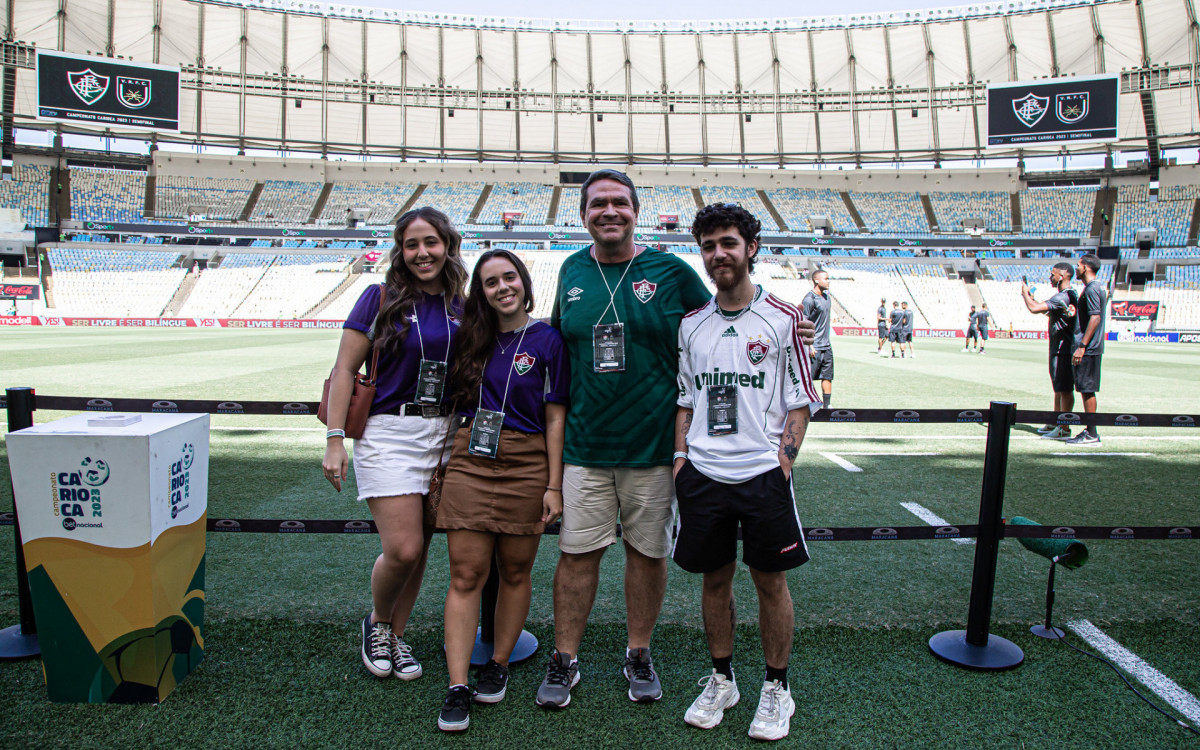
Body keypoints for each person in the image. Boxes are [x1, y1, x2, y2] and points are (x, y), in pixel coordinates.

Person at [537, 171, 813, 710]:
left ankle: (639, 653)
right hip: (587, 448)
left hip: (655, 452)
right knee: (576, 556)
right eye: (598, 204)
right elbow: (558, 344)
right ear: (583, 215)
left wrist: (794, 328)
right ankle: (564, 658)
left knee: (648, 554)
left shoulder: (671, 271)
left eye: (620, 202)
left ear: (637, 211)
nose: (609, 211)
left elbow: (727, 304)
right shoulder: (571, 269)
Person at [673, 202, 820, 741]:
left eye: (728, 243)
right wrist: (680, 460)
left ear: (750, 247)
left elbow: (801, 399)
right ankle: (722, 679)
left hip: (763, 474)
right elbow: (685, 398)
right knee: (714, 580)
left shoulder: (784, 319)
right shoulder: (692, 325)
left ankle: (777, 688)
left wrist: (784, 462)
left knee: (769, 582)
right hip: (703, 475)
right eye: (709, 246)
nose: (719, 254)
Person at [322, 207, 468, 683]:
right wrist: (334, 438)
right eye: (411, 244)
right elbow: (344, 370)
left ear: (447, 245)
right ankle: (377, 623)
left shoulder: (463, 304)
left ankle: (396, 634)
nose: (422, 253)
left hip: (444, 434)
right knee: (403, 547)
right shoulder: (378, 297)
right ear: (400, 251)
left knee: (421, 544)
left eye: (430, 242)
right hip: (389, 432)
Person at [436, 249, 569, 732]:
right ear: (482, 292)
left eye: (508, 277)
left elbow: (556, 416)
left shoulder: (549, 339)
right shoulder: (471, 337)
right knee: (466, 573)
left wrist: (554, 484)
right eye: (490, 282)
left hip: (528, 461)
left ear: (524, 281)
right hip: (473, 458)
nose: (502, 288)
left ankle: (499, 665)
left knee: (515, 570)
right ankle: (455, 687)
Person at [1021, 263, 1077, 439]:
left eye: (1052, 274)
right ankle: (1056, 421)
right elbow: (1049, 312)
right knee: (1059, 387)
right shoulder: (1067, 296)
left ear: (1062, 276)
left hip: (1063, 349)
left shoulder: (1064, 296)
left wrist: (1025, 295)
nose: (1050, 277)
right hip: (1059, 347)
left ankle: (1064, 427)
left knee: (1065, 388)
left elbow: (1034, 309)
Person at [1066, 254, 1106, 446]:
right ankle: (1090, 431)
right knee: (1085, 389)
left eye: (1079, 265)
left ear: (1087, 267)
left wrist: (1082, 346)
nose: (1077, 268)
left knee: (1087, 390)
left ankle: (1092, 433)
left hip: (1088, 349)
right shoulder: (1094, 288)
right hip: (1089, 347)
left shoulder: (1092, 289)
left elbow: (1095, 318)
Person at [801, 270, 833, 407]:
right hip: (814, 346)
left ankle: (827, 405)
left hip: (827, 345)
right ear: (816, 280)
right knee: (808, 378)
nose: (828, 281)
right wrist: (809, 345)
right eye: (825, 278)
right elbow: (802, 323)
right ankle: (807, 404)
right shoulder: (809, 299)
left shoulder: (827, 298)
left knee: (827, 376)